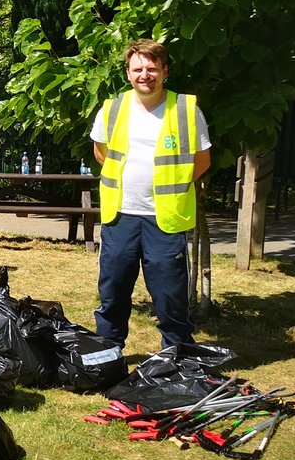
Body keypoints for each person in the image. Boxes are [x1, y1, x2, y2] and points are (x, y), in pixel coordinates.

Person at [91, 38, 212, 349]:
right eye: (137, 69)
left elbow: (202, 160)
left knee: (170, 294)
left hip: (164, 219)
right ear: (128, 73)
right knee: (113, 290)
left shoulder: (186, 110)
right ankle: (108, 351)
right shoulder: (112, 109)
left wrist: (173, 184)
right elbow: (101, 153)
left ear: (164, 71)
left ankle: (176, 353)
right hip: (120, 216)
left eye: (152, 68)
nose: (144, 75)